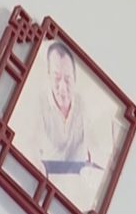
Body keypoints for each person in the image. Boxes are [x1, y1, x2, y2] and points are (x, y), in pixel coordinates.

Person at [25, 42, 97, 177]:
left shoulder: (82, 104)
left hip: (78, 174)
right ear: (49, 76)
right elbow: (31, 143)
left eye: (68, 80)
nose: (63, 87)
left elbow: (94, 144)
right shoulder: (40, 103)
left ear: (75, 78)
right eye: (57, 79)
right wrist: (36, 165)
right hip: (48, 172)